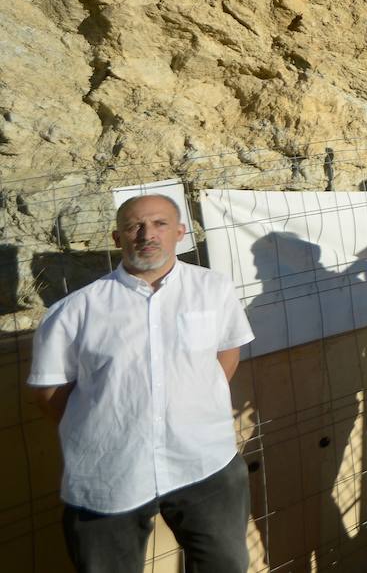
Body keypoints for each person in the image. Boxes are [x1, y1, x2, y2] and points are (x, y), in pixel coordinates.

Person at [27, 194, 255, 573]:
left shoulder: (214, 289)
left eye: (160, 224)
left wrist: (187, 407)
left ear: (180, 232)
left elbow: (225, 354)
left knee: (225, 566)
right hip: (110, 473)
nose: (147, 234)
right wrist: (113, 428)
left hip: (204, 461)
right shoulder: (74, 311)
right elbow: (50, 393)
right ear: (118, 238)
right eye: (134, 226)